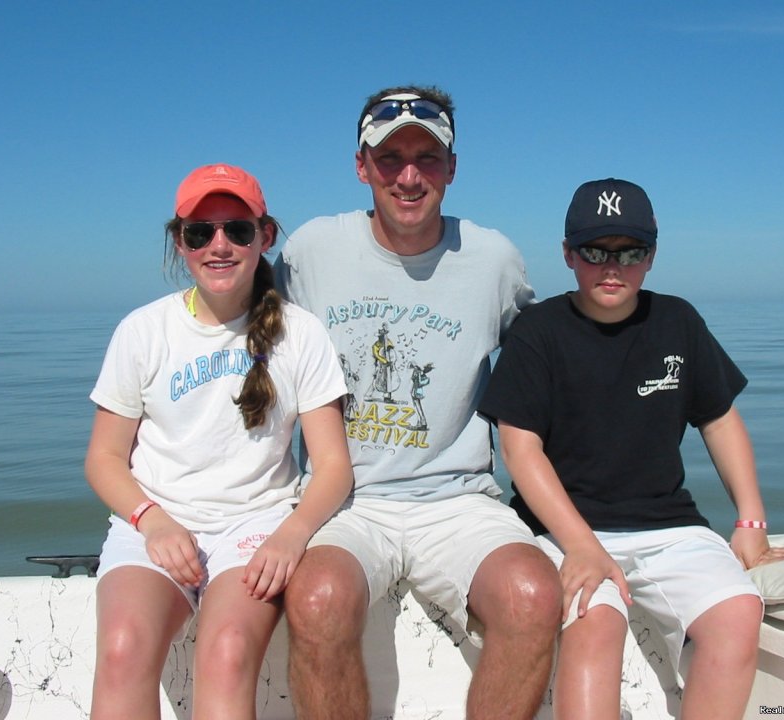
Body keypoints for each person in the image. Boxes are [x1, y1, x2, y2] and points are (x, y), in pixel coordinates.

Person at [273, 86, 562, 720]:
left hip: (459, 500)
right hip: (345, 499)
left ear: (452, 169)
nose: (409, 176)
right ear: (361, 166)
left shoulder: (493, 259)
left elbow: (547, 365)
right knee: (317, 598)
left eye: (427, 159)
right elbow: (250, 348)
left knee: (534, 594)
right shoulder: (307, 254)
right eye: (390, 157)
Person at [478, 178, 784, 720]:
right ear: (567, 254)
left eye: (630, 252)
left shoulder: (677, 321)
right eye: (595, 252)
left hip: (669, 525)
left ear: (651, 257)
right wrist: (582, 546)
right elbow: (521, 451)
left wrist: (752, 524)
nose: (613, 267)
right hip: (563, 529)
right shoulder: (538, 332)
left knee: (739, 611)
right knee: (595, 622)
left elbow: (720, 422)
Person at [84, 163, 353, 720]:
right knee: (120, 652)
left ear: (266, 235)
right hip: (155, 522)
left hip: (255, 526)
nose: (220, 245)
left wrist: (292, 535)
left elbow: (332, 466)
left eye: (238, 229)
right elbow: (104, 459)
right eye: (200, 233)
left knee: (227, 654)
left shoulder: (301, 334)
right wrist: (151, 520)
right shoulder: (143, 330)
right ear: (179, 242)